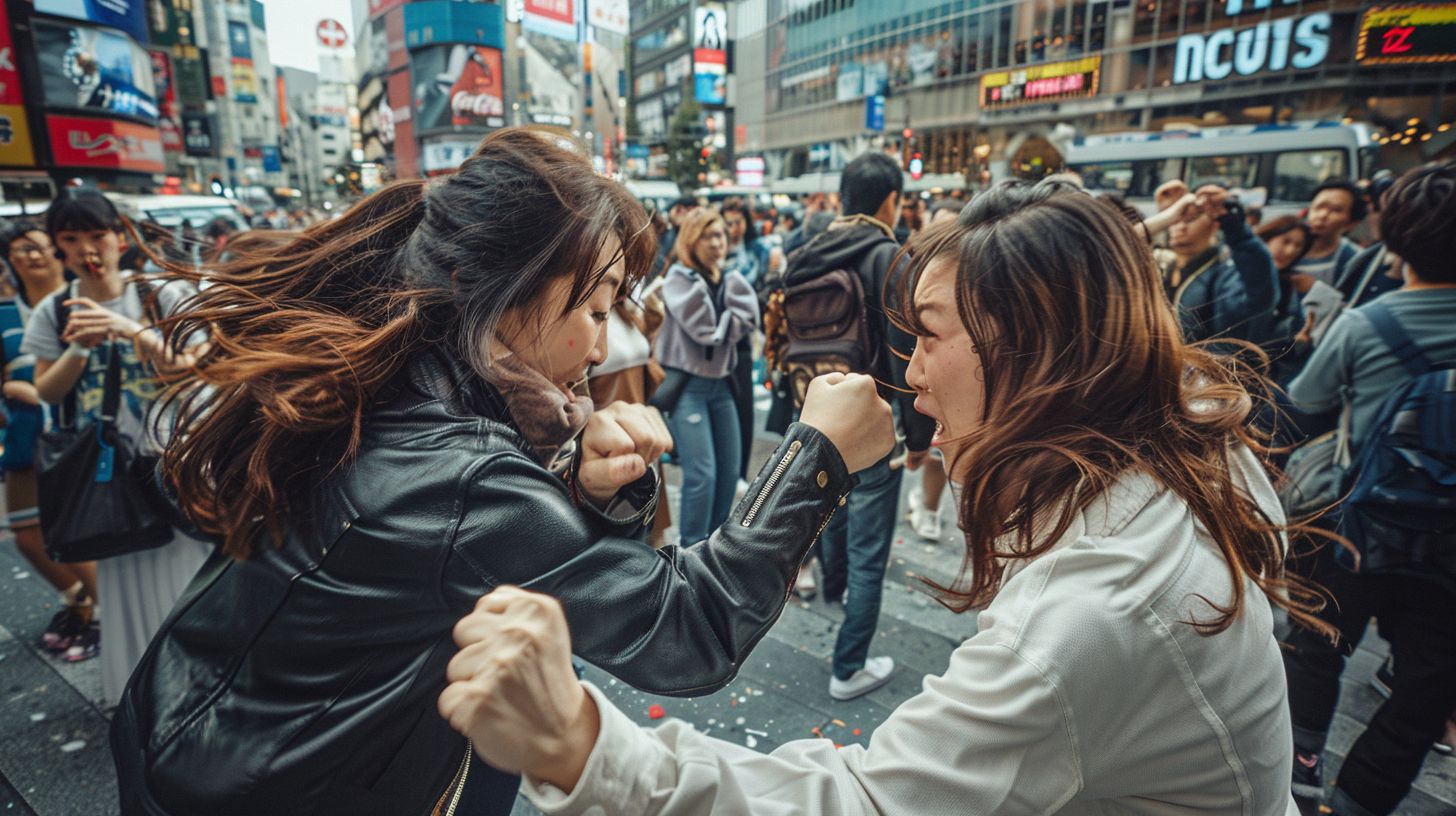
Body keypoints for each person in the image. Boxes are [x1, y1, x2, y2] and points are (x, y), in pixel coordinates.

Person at [439, 179, 1329, 815]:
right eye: (594, 308)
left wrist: (579, 745)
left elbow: (867, 800)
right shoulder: (1180, 432)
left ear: (1036, 353)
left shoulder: (1089, 618)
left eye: (930, 336)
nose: (910, 372)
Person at [111, 129, 893, 816]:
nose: (601, 348)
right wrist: (816, 456)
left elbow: (463, 556)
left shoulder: (393, 372)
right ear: (498, 290)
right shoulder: (461, 472)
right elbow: (691, 628)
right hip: (271, 784)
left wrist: (584, 487)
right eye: (595, 309)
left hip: (200, 742)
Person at [1281, 161, 1456, 816]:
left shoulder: (1365, 325)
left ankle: (1301, 774)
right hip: (1450, 552)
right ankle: (1360, 802)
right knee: (1427, 687)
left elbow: (1303, 406)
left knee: (1317, 649)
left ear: (1393, 237)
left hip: (1354, 526)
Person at [22, 190, 211, 697]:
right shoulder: (55, 309)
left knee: (193, 570)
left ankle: (200, 686)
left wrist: (129, 330)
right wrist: (78, 350)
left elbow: (191, 366)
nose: (87, 249)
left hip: (174, 456)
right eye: (71, 239)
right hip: (109, 471)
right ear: (58, 246)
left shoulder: (158, 293)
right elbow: (46, 391)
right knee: (127, 567)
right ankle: (147, 694)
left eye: (97, 235)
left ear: (119, 237)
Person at [782, 151, 934, 700]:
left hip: (817, 415)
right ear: (891, 201)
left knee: (833, 515)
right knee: (871, 552)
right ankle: (849, 668)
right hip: (874, 425)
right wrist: (917, 437)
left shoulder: (805, 254)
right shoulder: (887, 257)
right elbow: (903, 350)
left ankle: (832, 588)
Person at [0, 221, 98, 660]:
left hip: (81, 433)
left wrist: (39, 389)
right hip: (25, 436)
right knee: (27, 535)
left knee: (85, 532)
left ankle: (101, 616)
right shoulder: (5, 314)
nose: (32, 256)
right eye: (21, 250)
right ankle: (80, 601)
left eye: (40, 247)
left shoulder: (82, 300)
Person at [656, 208, 759, 546]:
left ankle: (712, 550)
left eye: (720, 235)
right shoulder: (680, 279)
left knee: (729, 473)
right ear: (690, 240)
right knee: (702, 475)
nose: (717, 243)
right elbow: (707, 330)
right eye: (707, 236)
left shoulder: (727, 278)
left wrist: (731, 307)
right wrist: (733, 312)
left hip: (722, 386)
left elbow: (749, 318)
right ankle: (689, 552)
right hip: (689, 387)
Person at [1159, 180, 1279, 346]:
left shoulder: (1225, 272)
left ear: (1215, 224)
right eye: (1175, 218)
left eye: (1190, 219)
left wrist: (1235, 227)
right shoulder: (1163, 262)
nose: (1179, 226)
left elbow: (1259, 288)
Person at [1292, 178, 1365, 286]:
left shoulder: (1355, 259)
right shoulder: (1282, 244)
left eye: (1336, 210)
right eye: (1319, 207)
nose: (1322, 215)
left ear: (1351, 223)